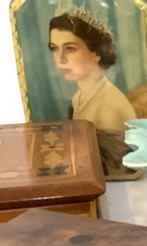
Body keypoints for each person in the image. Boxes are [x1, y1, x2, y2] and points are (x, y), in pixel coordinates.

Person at [48, 9, 137, 174]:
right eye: (54, 48)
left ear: (96, 52)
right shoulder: (78, 98)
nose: (60, 59)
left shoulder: (109, 108)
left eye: (70, 48)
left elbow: (119, 173)